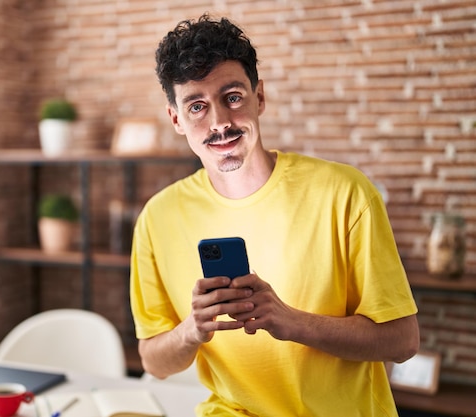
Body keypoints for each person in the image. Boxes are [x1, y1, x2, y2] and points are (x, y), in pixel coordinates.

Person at [129, 13, 420, 417]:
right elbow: (154, 363)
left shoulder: (346, 193)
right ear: (176, 118)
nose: (220, 123)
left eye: (232, 97)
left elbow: (403, 340)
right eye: (197, 106)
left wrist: (291, 322)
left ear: (259, 97)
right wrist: (191, 331)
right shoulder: (157, 217)